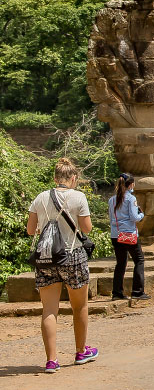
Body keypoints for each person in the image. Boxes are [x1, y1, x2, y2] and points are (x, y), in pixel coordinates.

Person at [26, 158, 99, 373]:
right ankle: (80, 351)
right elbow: (87, 229)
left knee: (49, 309)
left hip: (47, 258)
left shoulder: (40, 198)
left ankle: (51, 360)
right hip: (72, 256)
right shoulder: (78, 197)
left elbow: (31, 230)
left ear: (55, 178)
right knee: (80, 307)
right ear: (73, 178)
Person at [108, 172, 148, 301]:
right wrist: (141, 215)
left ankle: (117, 293)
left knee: (120, 263)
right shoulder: (131, 199)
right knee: (139, 260)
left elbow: (111, 218)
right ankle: (137, 291)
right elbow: (134, 217)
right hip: (129, 234)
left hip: (116, 234)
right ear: (130, 184)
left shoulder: (112, 200)